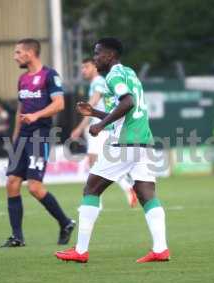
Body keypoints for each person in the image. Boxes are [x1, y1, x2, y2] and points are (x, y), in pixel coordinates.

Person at [56, 38, 170, 263]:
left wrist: (98, 124)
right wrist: (96, 114)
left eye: (97, 54)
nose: (95, 58)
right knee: (146, 194)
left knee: (91, 189)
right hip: (143, 142)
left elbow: (126, 102)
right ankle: (160, 249)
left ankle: (80, 251)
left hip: (124, 144)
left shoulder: (113, 75)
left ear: (110, 55)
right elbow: (127, 109)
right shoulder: (130, 73)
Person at [1, 38, 75, 248]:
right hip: (22, 137)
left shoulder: (50, 75)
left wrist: (36, 116)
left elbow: (59, 104)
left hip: (40, 135)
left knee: (34, 187)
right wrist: (15, 137)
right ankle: (17, 237)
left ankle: (65, 222)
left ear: (30, 53)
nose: (15, 56)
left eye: (18, 53)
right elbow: (20, 109)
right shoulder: (23, 79)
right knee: (12, 183)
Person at [71, 58, 137, 208]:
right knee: (104, 165)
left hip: (102, 130)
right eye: (82, 68)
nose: (83, 71)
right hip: (104, 128)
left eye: (86, 67)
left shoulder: (98, 81)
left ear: (94, 67)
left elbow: (91, 106)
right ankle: (127, 188)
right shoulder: (97, 82)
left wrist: (79, 128)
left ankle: (95, 202)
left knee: (95, 165)